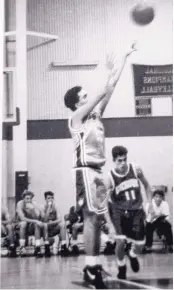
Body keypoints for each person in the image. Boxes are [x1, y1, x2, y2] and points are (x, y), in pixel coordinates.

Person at [64, 43, 136, 288]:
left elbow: (110, 87)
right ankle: (91, 267)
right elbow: (100, 93)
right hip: (85, 170)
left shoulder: (96, 116)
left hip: (97, 172)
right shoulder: (75, 118)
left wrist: (122, 60)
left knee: (96, 218)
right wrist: (104, 73)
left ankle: (91, 266)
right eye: (83, 97)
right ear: (77, 104)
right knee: (90, 218)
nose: (88, 98)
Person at [106, 145, 152, 280]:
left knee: (140, 244)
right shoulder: (109, 177)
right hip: (118, 211)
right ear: (114, 160)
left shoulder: (136, 169)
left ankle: (132, 255)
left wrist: (149, 204)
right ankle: (121, 265)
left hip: (136, 210)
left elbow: (147, 186)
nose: (123, 163)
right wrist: (109, 224)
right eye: (119, 160)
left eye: (124, 159)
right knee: (120, 242)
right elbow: (102, 203)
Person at [41, 191, 69, 257]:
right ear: (45, 199)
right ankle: (47, 248)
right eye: (48, 198)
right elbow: (44, 220)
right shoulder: (42, 207)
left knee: (62, 225)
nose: (50, 199)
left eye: (52, 198)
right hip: (46, 230)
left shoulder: (56, 206)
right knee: (45, 225)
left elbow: (60, 219)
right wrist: (48, 209)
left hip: (54, 228)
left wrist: (52, 222)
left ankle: (63, 246)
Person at [16, 190, 43, 257]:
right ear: (23, 198)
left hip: (30, 226)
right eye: (27, 198)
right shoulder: (20, 204)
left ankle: (37, 248)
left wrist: (32, 210)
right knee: (24, 223)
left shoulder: (34, 204)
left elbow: (36, 218)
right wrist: (36, 221)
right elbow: (22, 218)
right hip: (19, 225)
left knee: (36, 224)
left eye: (30, 198)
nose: (29, 200)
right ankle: (22, 247)